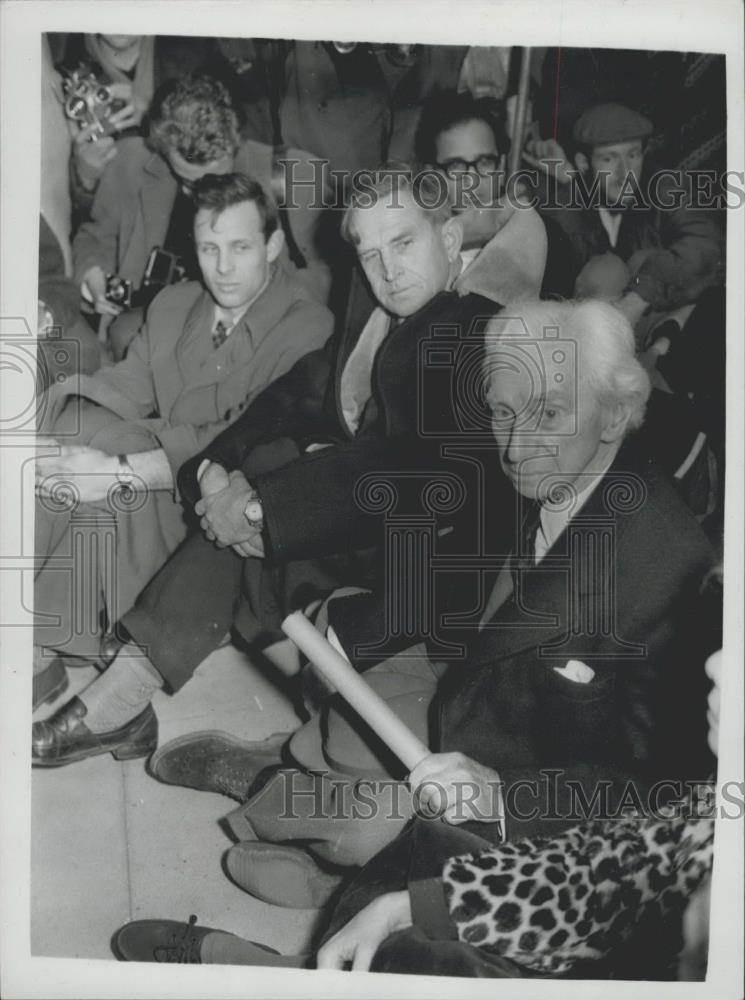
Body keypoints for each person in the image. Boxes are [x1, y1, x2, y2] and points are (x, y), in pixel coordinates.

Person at [112, 299, 718, 976]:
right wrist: (349, 616)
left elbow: (660, 801)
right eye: (502, 413)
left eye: (547, 415)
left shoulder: (671, 568)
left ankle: (282, 908)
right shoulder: (551, 468)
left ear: (613, 414)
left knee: (368, 848)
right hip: (468, 696)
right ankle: (286, 787)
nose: (516, 445)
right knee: (343, 756)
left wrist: (502, 793)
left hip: (534, 804)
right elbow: (407, 494)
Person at [31, 166, 512, 767]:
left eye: (404, 242)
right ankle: (121, 694)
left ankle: (121, 699)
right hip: (356, 526)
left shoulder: (471, 329)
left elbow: (408, 468)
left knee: (263, 478)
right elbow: (297, 394)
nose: (387, 269)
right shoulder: (381, 308)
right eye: (370, 252)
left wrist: (263, 504)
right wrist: (213, 465)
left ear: (448, 241)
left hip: (426, 570)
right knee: (257, 461)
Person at [31, 173, 333, 714]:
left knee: (103, 460)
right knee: (66, 433)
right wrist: (52, 431)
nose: (222, 267)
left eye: (240, 247)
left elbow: (239, 438)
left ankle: (46, 635)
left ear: (273, 244)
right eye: (208, 248)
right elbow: (126, 383)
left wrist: (120, 463)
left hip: (210, 517)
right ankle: (39, 632)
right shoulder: (175, 303)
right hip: (150, 490)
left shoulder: (309, 326)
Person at [72, 73, 331, 359]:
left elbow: (313, 292)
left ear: (234, 144)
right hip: (145, 338)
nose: (198, 196)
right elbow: (96, 237)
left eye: (214, 181)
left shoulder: (296, 176)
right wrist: (92, 278)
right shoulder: (130, 161)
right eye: (187, 181)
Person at [525, 102, 725, 343]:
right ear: (583, 163)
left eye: (632, 155)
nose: (625, 173)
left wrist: (639, 297)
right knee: (604, 272)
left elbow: (705, 246)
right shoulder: (568, 200)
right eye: (609, 159)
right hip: (595, 342)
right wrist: (571, 189)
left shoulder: (667, 188)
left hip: (668, 341)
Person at [415, 88, 574, 299]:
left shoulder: (543, 239)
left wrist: (567, 179)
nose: (472, 180)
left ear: (501, 166)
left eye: (485, 162)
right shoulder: (418, 250)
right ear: (431, 174)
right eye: (456, 166)